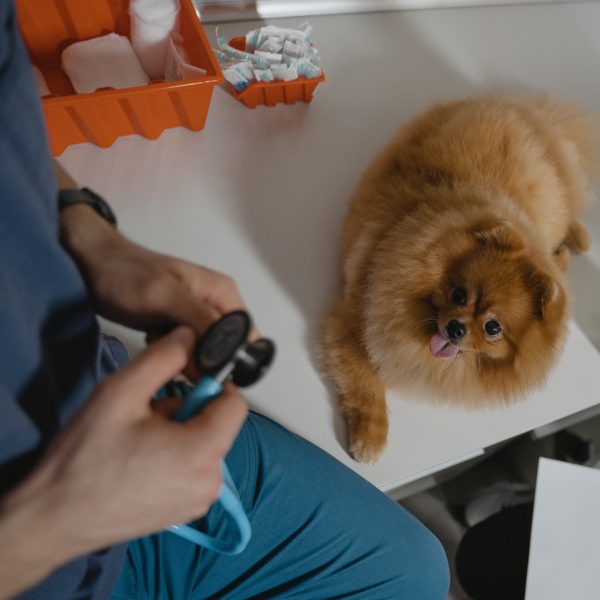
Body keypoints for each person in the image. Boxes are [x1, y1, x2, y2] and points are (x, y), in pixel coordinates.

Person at [0, 2, 450, 598]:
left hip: (100, 414)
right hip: (39, 552)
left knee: (410, 572)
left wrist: (91, 235)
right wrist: (56, 522)